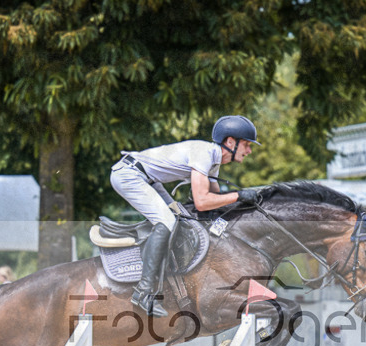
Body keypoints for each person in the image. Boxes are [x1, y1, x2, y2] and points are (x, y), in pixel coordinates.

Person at [111, 115, 261, 317]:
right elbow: (202, 201)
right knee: (167, 221)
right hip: (129, 175)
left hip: (148, 179)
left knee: (181, 219)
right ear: (230, 142)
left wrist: (242, 203)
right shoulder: (205, 154)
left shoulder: (214, 162)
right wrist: (239, 195)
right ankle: (143, 292)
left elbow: (216, 200)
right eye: (246, 144)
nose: (249, 150)